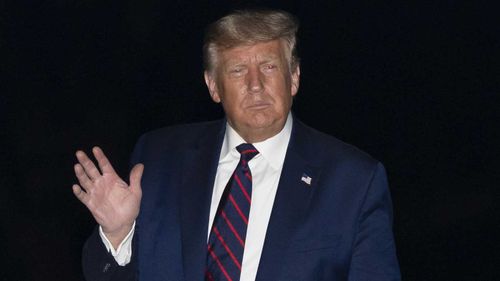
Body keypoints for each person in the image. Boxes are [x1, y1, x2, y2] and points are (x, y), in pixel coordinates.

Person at [73, 9, 401, 281]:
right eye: (238, 70)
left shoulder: (353, 181)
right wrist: (118, 235)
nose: (255, 84)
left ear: (295, 77)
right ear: (213, 86)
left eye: (269, 67)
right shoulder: (160, 159)